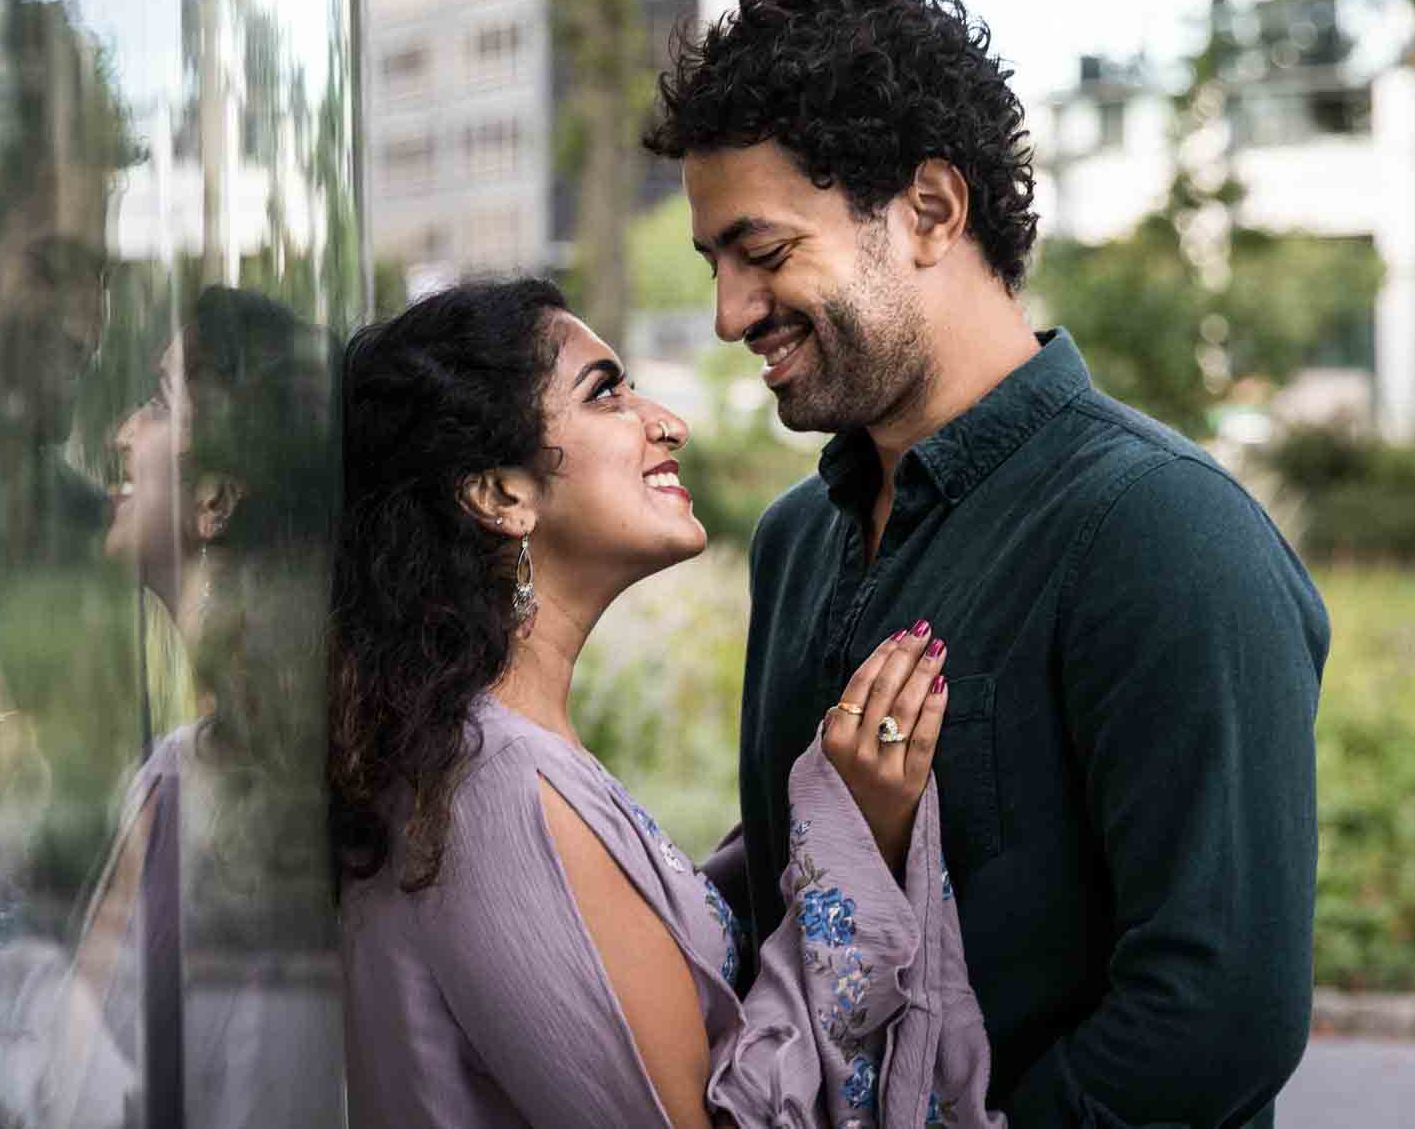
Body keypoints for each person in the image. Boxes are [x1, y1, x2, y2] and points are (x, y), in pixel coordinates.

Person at [643, 0, 1331, 1129]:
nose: (728, 314)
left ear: (930, 211)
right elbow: (788, 912)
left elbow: (1217, 1013)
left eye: (761, 253)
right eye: (714, 265)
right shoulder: (794, 544)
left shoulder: (1160, 534)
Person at [330, 278, 1003, 1128]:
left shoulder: (486, 758)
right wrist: (852, 842)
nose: (667, 422)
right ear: (501, 493)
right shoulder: (498, 791)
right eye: (605, 391)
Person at [0, 285, 347, 1126]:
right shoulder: (181, 772)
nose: (122, 430)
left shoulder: (264, 802)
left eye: (157, 403)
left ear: (217, 497)